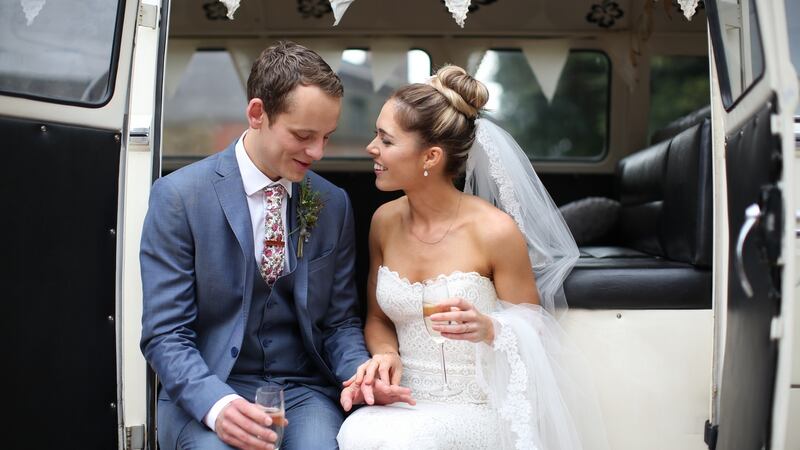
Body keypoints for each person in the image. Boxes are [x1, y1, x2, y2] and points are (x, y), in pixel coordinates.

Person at [140, 41, 413, 450]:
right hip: (210, 387)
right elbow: (166, 333)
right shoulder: (179, 197)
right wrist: (217, 405)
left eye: (326, 137)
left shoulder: (332, 202)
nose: (317, 152)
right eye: (303, 135)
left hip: (304, 392)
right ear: (256, 114)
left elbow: (339, 322)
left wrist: (361, 375)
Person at [337, 66, 609, 450]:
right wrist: (384, 354)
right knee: (355, 431)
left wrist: (490, 327)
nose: (371, 147)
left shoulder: (494, 231)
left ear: (430, 156)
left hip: (478, 404)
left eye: (386, 139)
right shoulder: (383, 222)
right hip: (404, 400)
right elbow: (378, 319)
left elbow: (537, 330)